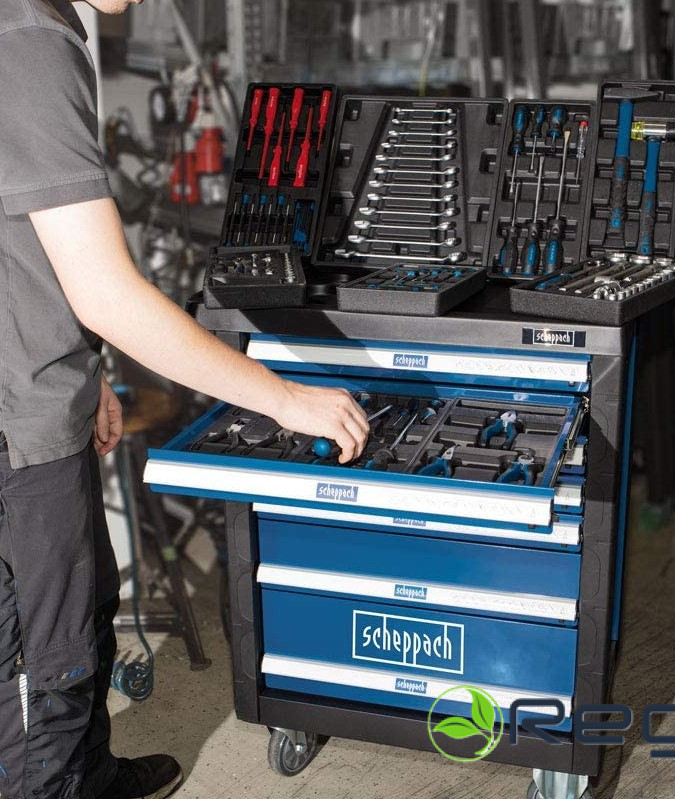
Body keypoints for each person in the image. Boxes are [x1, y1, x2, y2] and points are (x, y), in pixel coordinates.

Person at [0, 0, 369, 796]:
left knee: (87, 609)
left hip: (36, 386)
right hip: (15, 432)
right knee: (46, 664)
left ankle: (90, 776)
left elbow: (24, 243)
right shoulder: (27, 37)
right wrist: (284, 399)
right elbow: (107, 291)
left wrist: (82, 364)